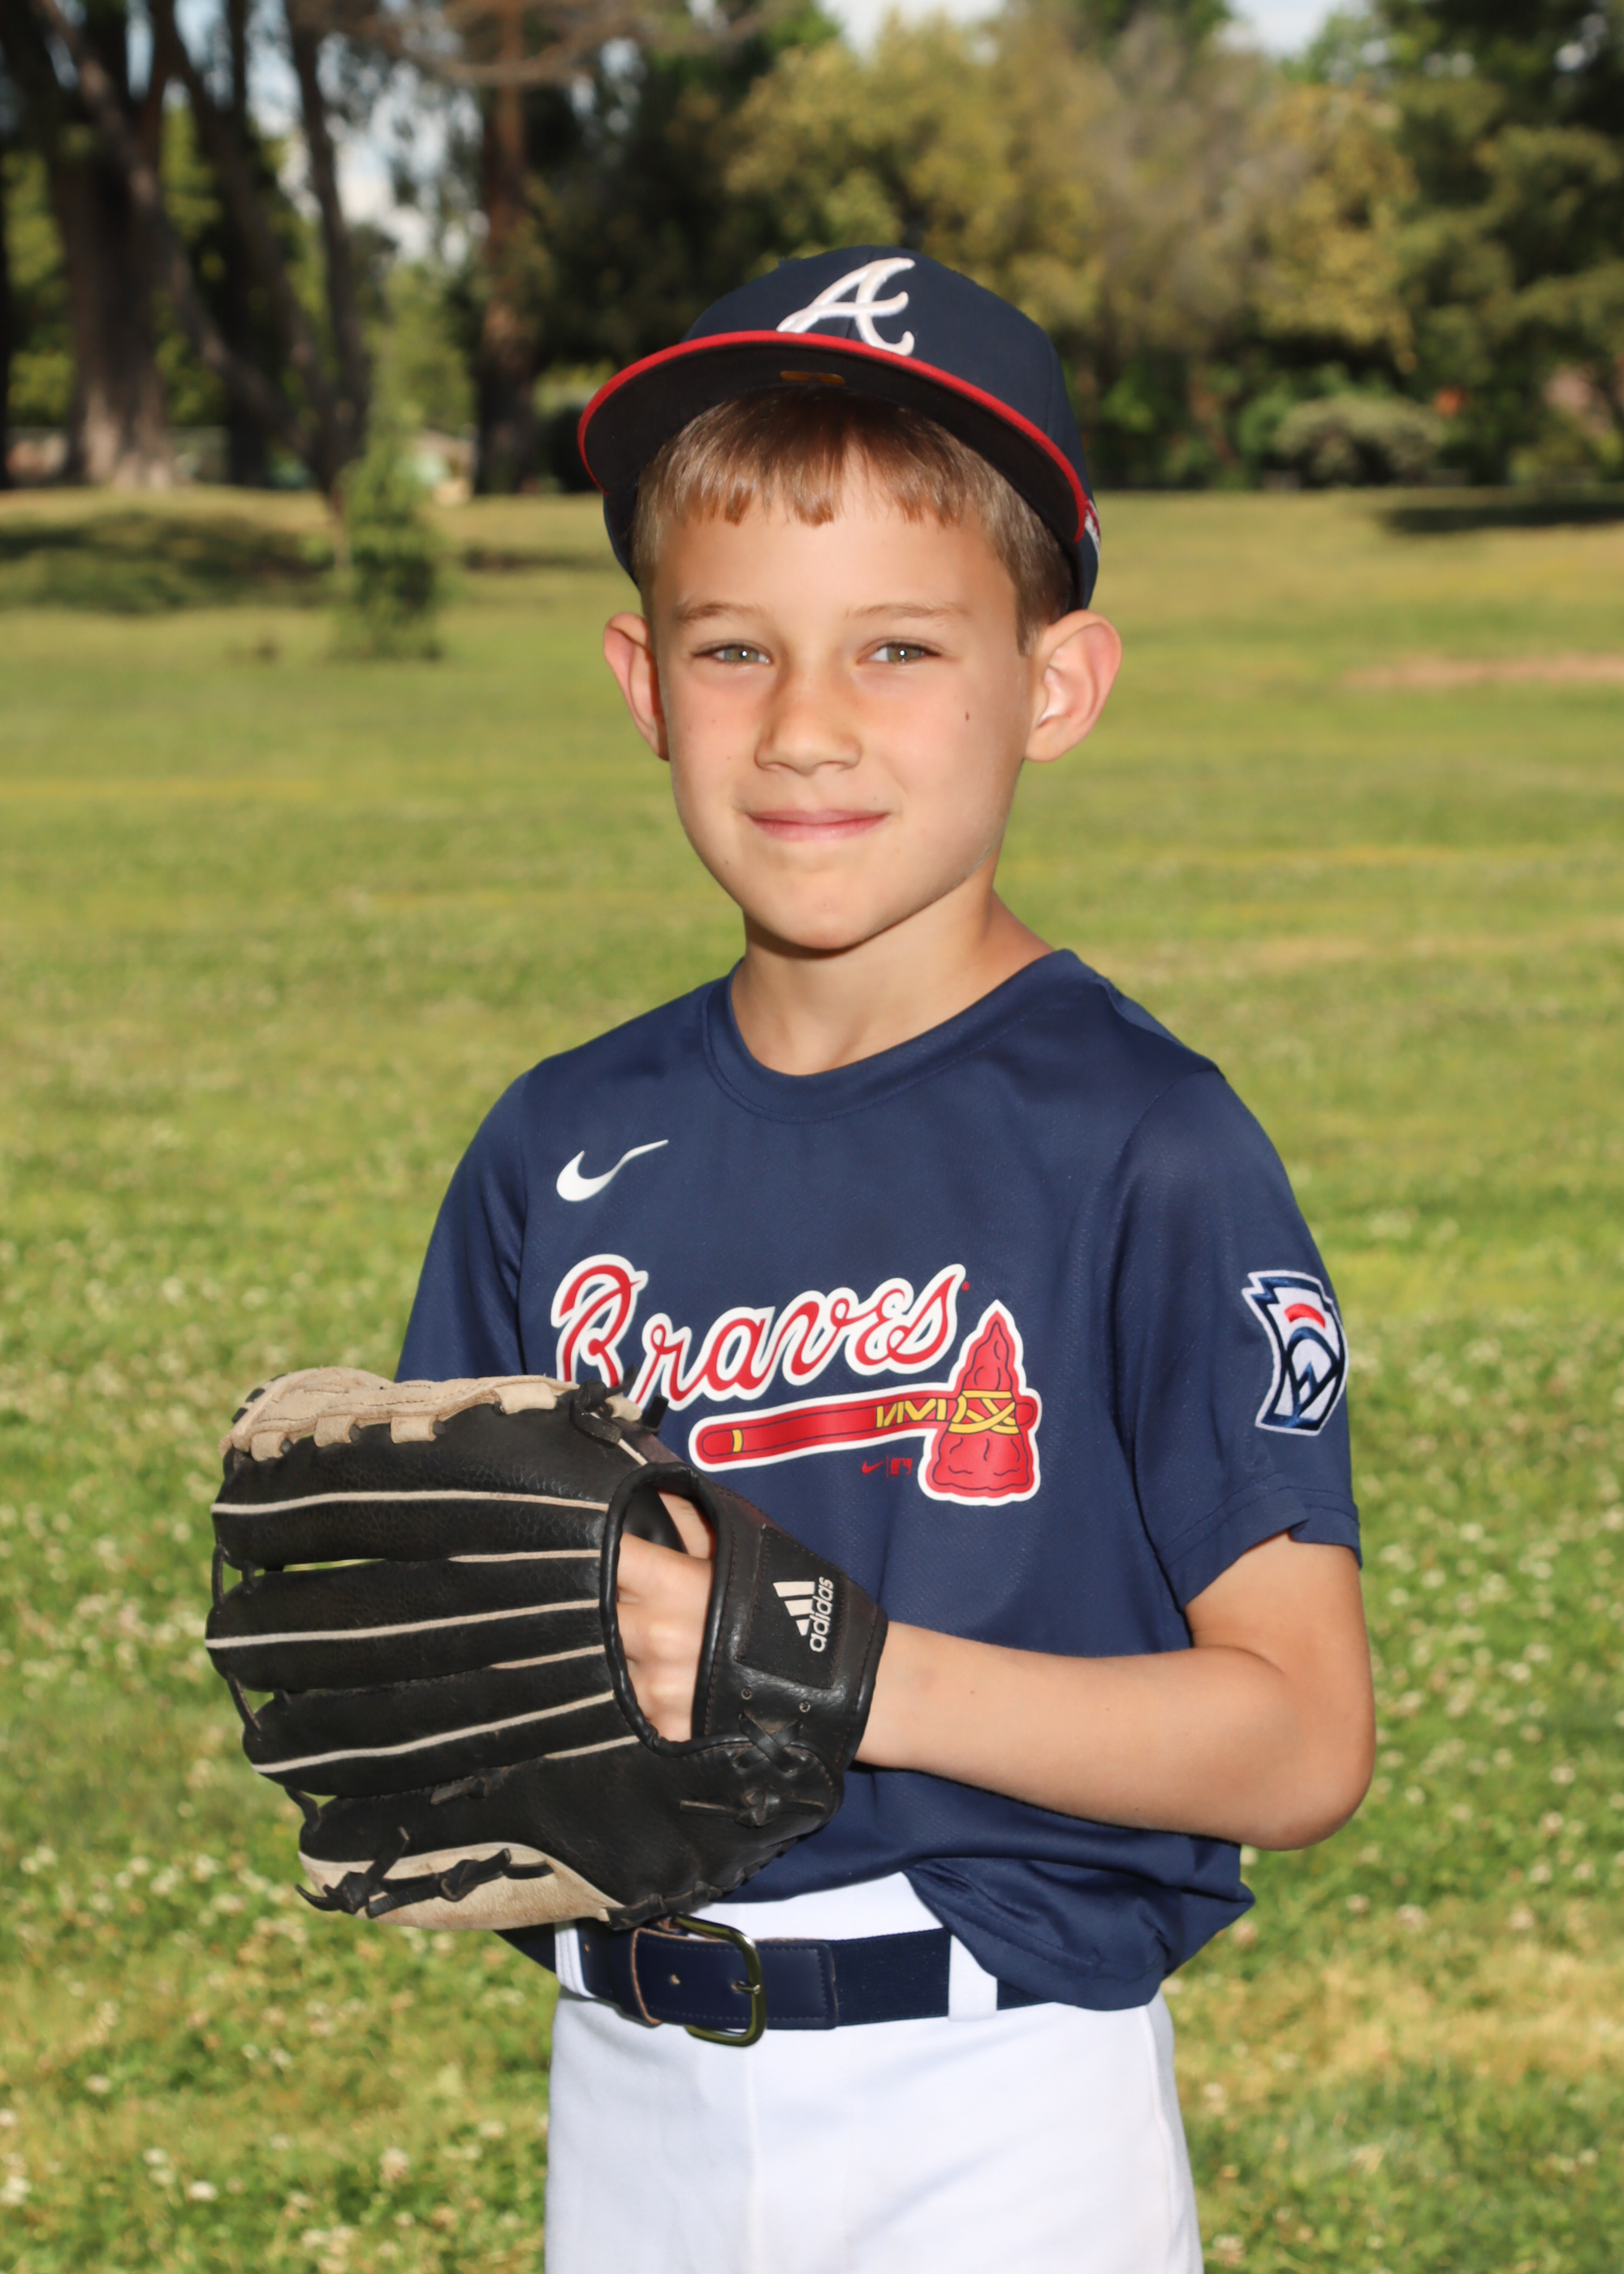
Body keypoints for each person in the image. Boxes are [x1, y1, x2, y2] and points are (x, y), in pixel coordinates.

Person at [396, 248, 1375, 2274]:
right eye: (735, 649)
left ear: (1056, 684)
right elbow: (486, 1671)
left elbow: (1299, 1736)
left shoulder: (1143, 1143)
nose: (805, 728)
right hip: (631, 2084)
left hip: (995, 2097)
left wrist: (832, 1669)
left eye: (900, 648)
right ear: (641, 682)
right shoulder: (554, 1148)